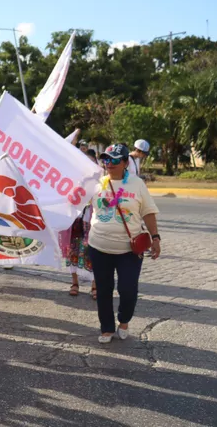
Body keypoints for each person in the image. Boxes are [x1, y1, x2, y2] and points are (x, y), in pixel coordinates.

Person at [89, 144, 161, 344]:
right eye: (105, 159)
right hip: (99, 247)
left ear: (125, 163)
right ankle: (106, 328)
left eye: (113, 160)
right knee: (103, 290)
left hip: (128, 250)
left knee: (128, 290)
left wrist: (155, 238)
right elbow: (75, 202)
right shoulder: (96, 183)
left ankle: (124, 320)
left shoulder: (137, 184)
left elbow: (148, 211)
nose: (108, 164)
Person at [66, 149, 99, 298]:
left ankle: (95, 285)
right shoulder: (73, 179)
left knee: (94, 252)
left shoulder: (102, 180)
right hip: (75, 220)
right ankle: (74, 283)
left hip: (93, 220)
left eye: (91, 161)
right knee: (72, 250)